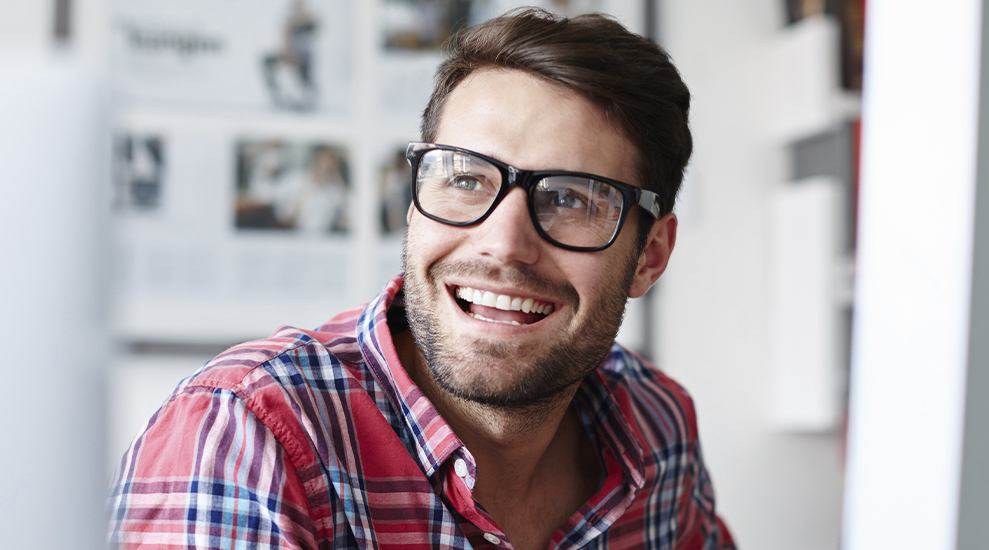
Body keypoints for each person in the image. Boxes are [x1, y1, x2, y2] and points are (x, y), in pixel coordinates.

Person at [110, 8, 734, 549]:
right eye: (465, 180)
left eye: (571, 199)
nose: (504, 245)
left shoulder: (656, 425)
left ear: (650, 255)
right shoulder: (246, 437)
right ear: (413, 204)